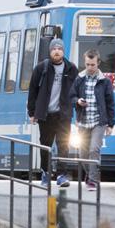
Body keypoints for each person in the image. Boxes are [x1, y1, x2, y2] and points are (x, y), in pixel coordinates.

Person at [27, 38, 78, 187]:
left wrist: (77, 107)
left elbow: (76, 90)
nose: (57, 51)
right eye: (54, 49)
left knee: (64, 145)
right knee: (46, 145)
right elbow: (32, 91)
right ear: (50, 51)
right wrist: (32, 112)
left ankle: (62, 175)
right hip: (45, 115)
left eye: (60, 49)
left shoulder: (71, 69)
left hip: (63, 115)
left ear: (63, 51)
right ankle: (46, 174)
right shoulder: (41, 68)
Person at [69, 49, 115, 191]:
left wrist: (111, 124)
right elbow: (71, 97)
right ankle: (90, 175)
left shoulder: (105, 81)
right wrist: (78, 101)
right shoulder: (79, 79)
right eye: (87, 64)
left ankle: (93, 180)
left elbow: (110, 103)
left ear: (98, 63)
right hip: (83, 122)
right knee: (83, 154)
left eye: (93, 64)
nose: (90, 67)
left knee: (94, 149)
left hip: (98, 122)